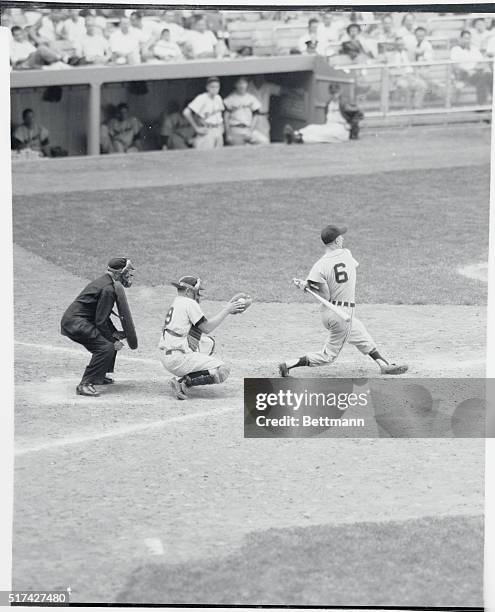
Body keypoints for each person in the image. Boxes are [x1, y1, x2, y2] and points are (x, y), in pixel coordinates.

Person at [278, 225, 408, 377]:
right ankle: (288, 364)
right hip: (341, 315)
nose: (343, 238)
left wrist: (307, 285)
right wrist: (309, 285)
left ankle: (383, 364)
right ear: (337, 241)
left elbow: (324, 295)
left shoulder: (319, 265)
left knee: (359, 331)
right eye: (341, 237)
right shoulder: (347, 254)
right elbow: (343, 275)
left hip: (329, 313)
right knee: (328, 356)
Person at [159, 275, 247, 400]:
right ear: (189, 291)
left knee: (208, 343)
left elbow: (198, 328)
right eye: (197, 292)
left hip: (167, 353)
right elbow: (207, 328)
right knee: (222, 370)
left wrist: (227, 308)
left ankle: (183, 376)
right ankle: (183, 381)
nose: (199, 295)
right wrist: (227, 310)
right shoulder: (189, 303)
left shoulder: (178, 301)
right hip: (178, 359)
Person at [60, 258, 135, 397]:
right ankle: (85, 384)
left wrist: (114, 333)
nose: (129, 275)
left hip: (82, 320)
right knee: (106, 347)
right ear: (118, 273)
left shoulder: (107, 282)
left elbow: (102, 317)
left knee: (110, 341)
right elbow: (100, 321)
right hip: (76, 323)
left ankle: (99, 375)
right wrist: (113, 341)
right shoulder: (108, 289)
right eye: (126, 272)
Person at [283, 83, 363, 144]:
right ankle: (295, 134)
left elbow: (359, 114)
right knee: (312, 127)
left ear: (340, 92)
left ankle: (300, 139)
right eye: (332, 93)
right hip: (329, 126)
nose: (334, 95)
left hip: (341, 128)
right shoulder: (329, 103)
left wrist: (351, 125)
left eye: (336, 93)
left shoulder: (344, 103)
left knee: (325, 135)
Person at [450, 30, 493, 104]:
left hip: (477, 72)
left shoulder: (474, 49)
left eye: (469, 38)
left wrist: (480, 68)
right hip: (464, 74)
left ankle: (483, 104)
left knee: (489, 76)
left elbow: (482, 62)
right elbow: (455, 66)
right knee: (484, 77)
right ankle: (482, 104)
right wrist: (468, 71)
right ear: (460, 39)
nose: (467, 40)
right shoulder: (455, 50)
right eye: (465, 38)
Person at [183, 76, 225, 150]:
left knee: (219, 158)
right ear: (207, 87)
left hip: (218, 130)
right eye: (212, 87)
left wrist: (222, 127)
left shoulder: (218, 98)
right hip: (207, 130)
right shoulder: (202, 98)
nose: (215, 89)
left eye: (217, 87)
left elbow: (220, 114)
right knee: (206, 158)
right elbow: (186, 112)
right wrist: (196, 128)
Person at [224, 76, 268, 146]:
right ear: (235, 85)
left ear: (247, 84)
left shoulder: (251, 98)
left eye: (244, 83)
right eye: (239, 83)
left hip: (247, 129)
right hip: (235, 130)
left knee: (264, 141)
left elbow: (255, 115)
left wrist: (250, 131)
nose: (242, 86)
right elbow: (226, 117)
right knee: (238, 152)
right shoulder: (230, 98)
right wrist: (228, 134)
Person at [389, 36, 427, 109]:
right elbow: (391, 70)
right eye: (398, 44)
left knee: (422, 85)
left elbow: (415, 65)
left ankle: (416, 106)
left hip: (412, 76)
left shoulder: (409, 54)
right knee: (404, 85)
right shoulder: (390, 55)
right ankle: (407, 107)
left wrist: (415, 76)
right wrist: (402, 74)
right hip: (399, 77)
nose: (400, 46)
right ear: (395, 45)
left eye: (402, 44)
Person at [247, 75, 282, 142]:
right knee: (250, 140)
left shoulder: (267, 86)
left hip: (264, 118)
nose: (260, 78)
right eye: (257, 76)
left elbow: (281, 90)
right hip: (250, 117)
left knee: (265, 140)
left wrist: (297, 92)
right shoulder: (247, 87)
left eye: (261, 76)